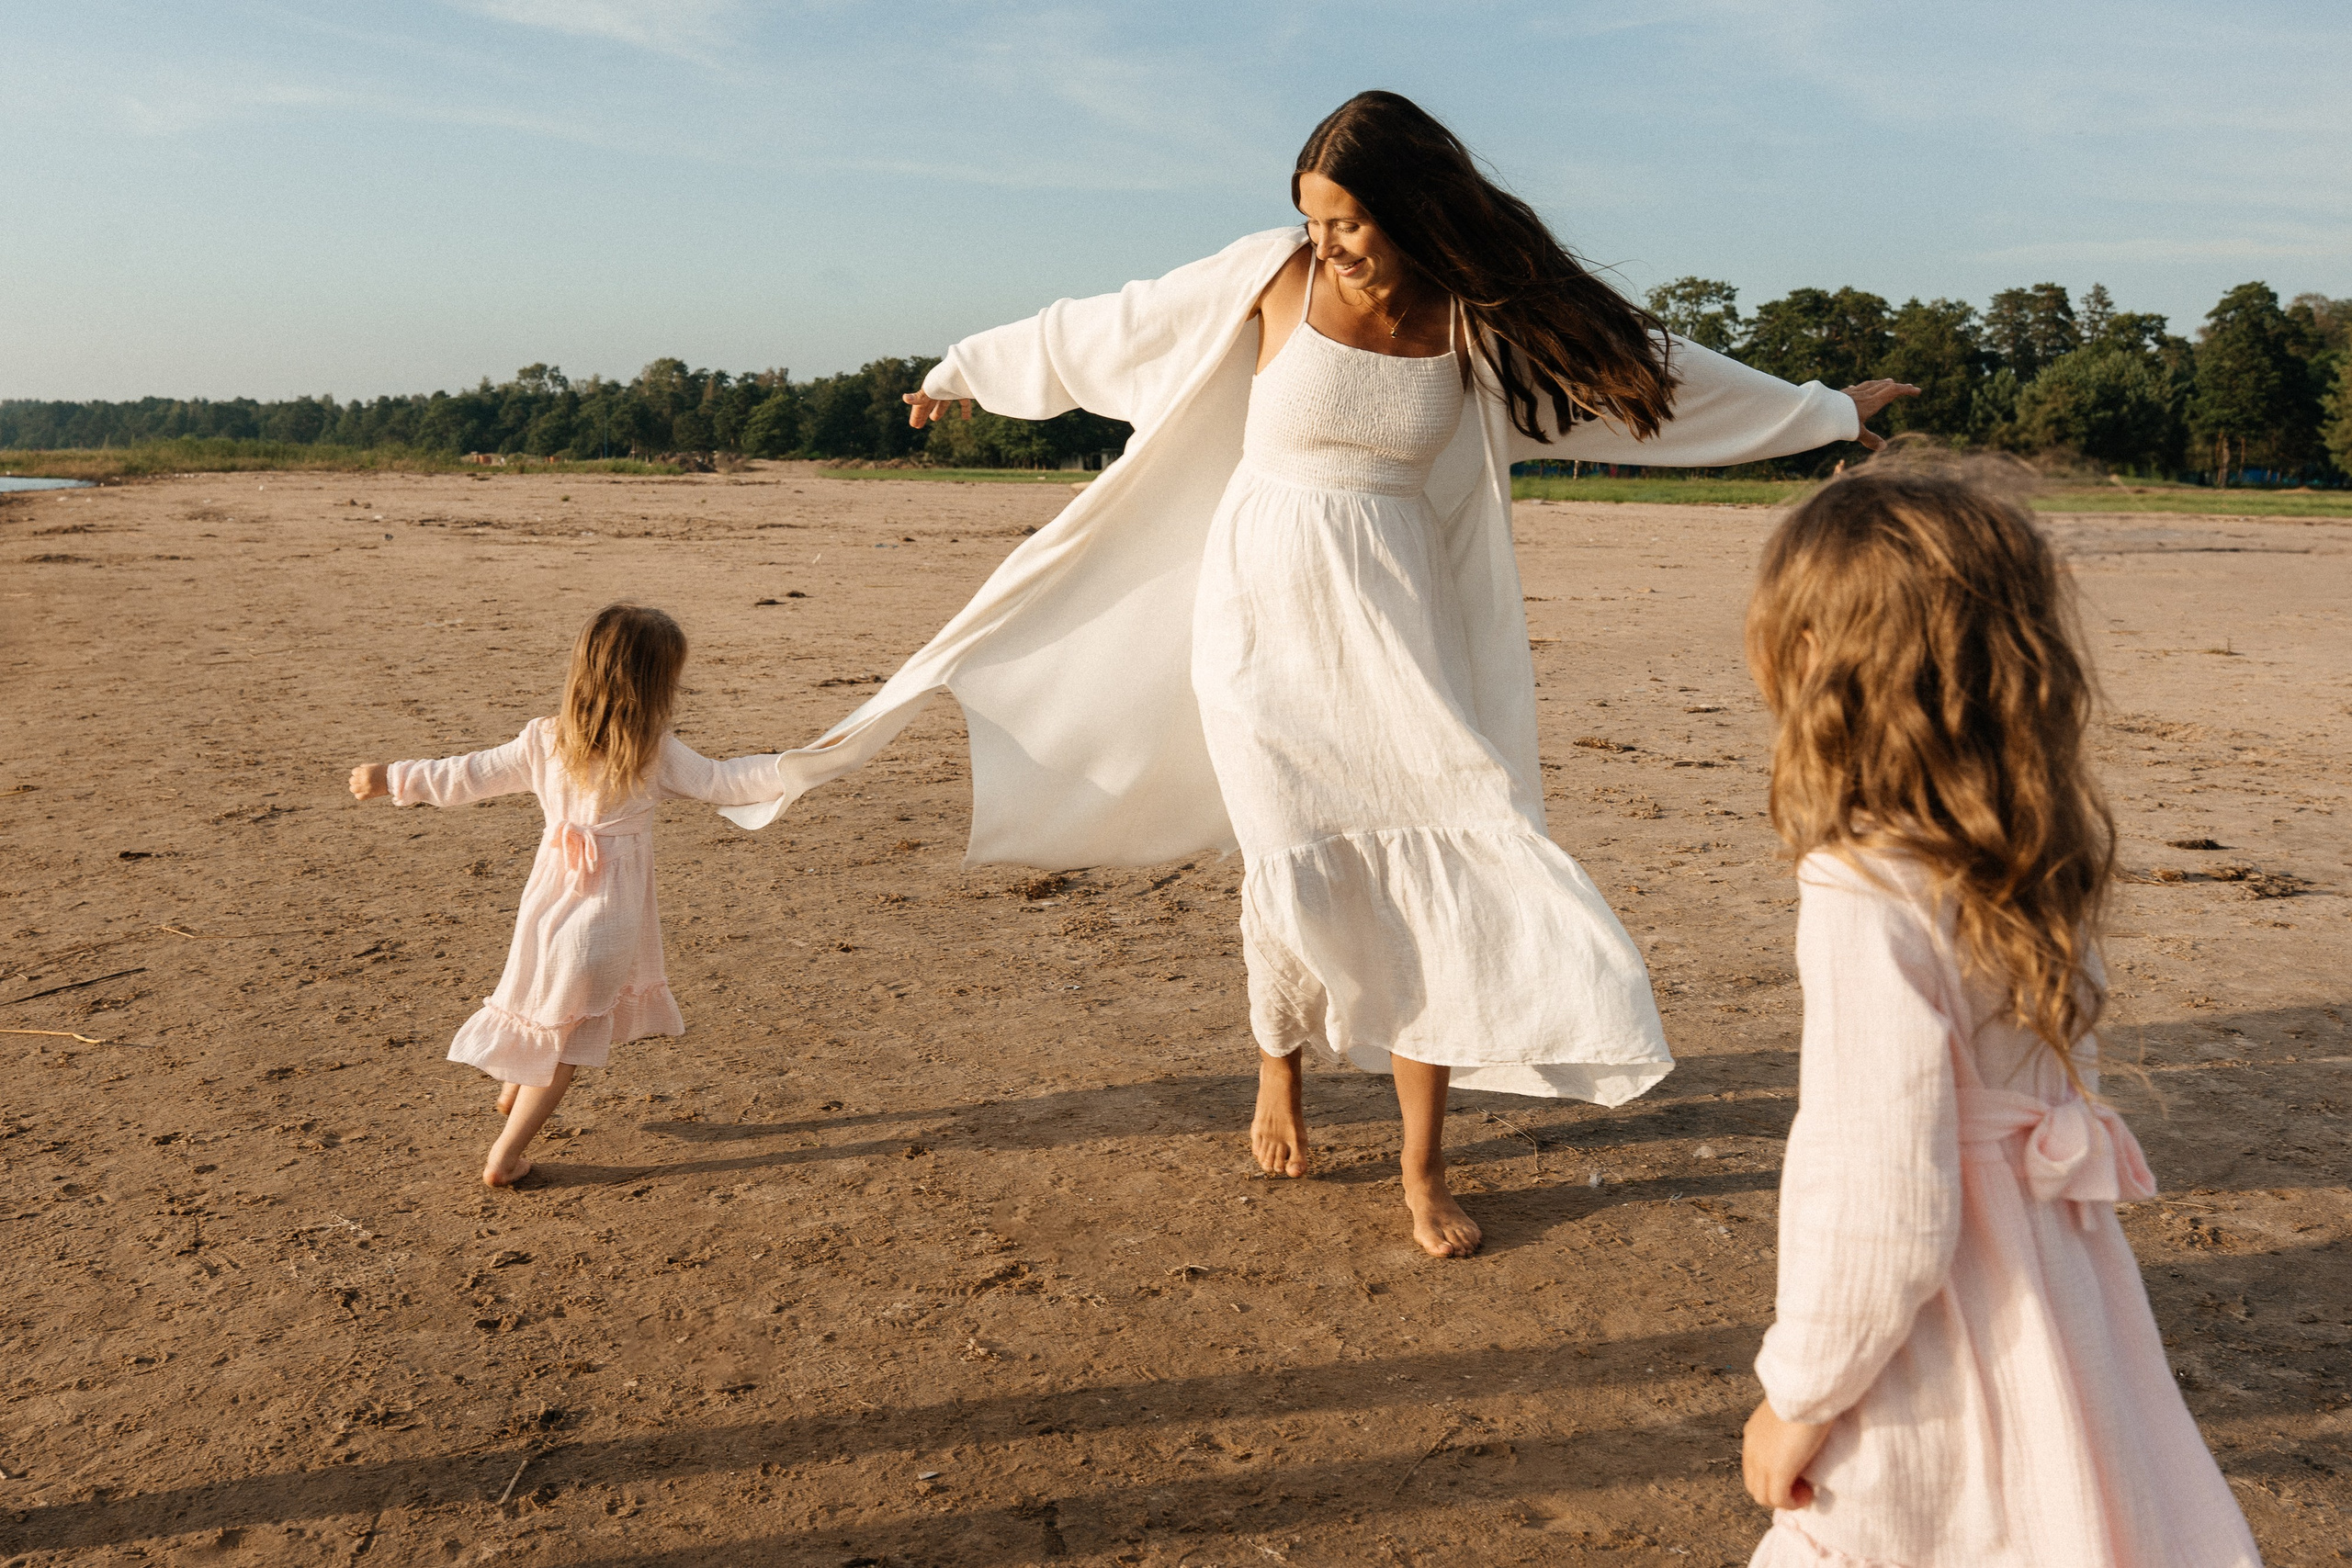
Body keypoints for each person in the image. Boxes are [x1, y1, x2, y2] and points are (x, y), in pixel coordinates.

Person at [719, 91, 1916, 1258]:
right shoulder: (1271, 274)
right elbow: (1108, 325)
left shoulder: (1480, 315)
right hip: (1257, 614)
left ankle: (1421, 1158)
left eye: (1349, 220)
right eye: (1314, 217)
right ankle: (1279, 1067)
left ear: (1413, 210)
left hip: (1397, 617)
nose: (1328, 241)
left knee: (1441, 832)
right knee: (1294, 843)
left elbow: (1650, 371)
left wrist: (1820, 410)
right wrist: (963, 370)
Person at [1736, 469, 2259, 1565]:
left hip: (1939, 1319)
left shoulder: (1860, 893)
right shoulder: (2027, 860)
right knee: (2057, 1506)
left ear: (1819, 669)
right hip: (2056, 1281)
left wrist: (1801, 1392)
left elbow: (1881, 1195)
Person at [347, 604, 785, 1187]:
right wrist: (801, 767)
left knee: (540, 996)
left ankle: (512, 1091)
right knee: (567, 1038)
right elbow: (727, 782)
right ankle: (506, 1155)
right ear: (658, 686)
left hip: (548, 902)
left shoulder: (546, 739)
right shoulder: (653, 751)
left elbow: (469, 774)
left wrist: (391, 778)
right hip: (607, 918)